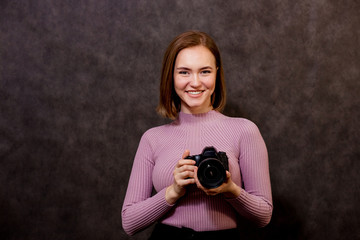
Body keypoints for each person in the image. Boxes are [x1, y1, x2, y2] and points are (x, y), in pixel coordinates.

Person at [122, 31, 273, 239]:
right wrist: (173, 192)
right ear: (171, 76)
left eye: (205, 72)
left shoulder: (244, 130)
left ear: (216, 74)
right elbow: (129, 222)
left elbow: (263, 215)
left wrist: (230, 190)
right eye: (184, 72)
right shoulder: (152, 138)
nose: (195, 82)